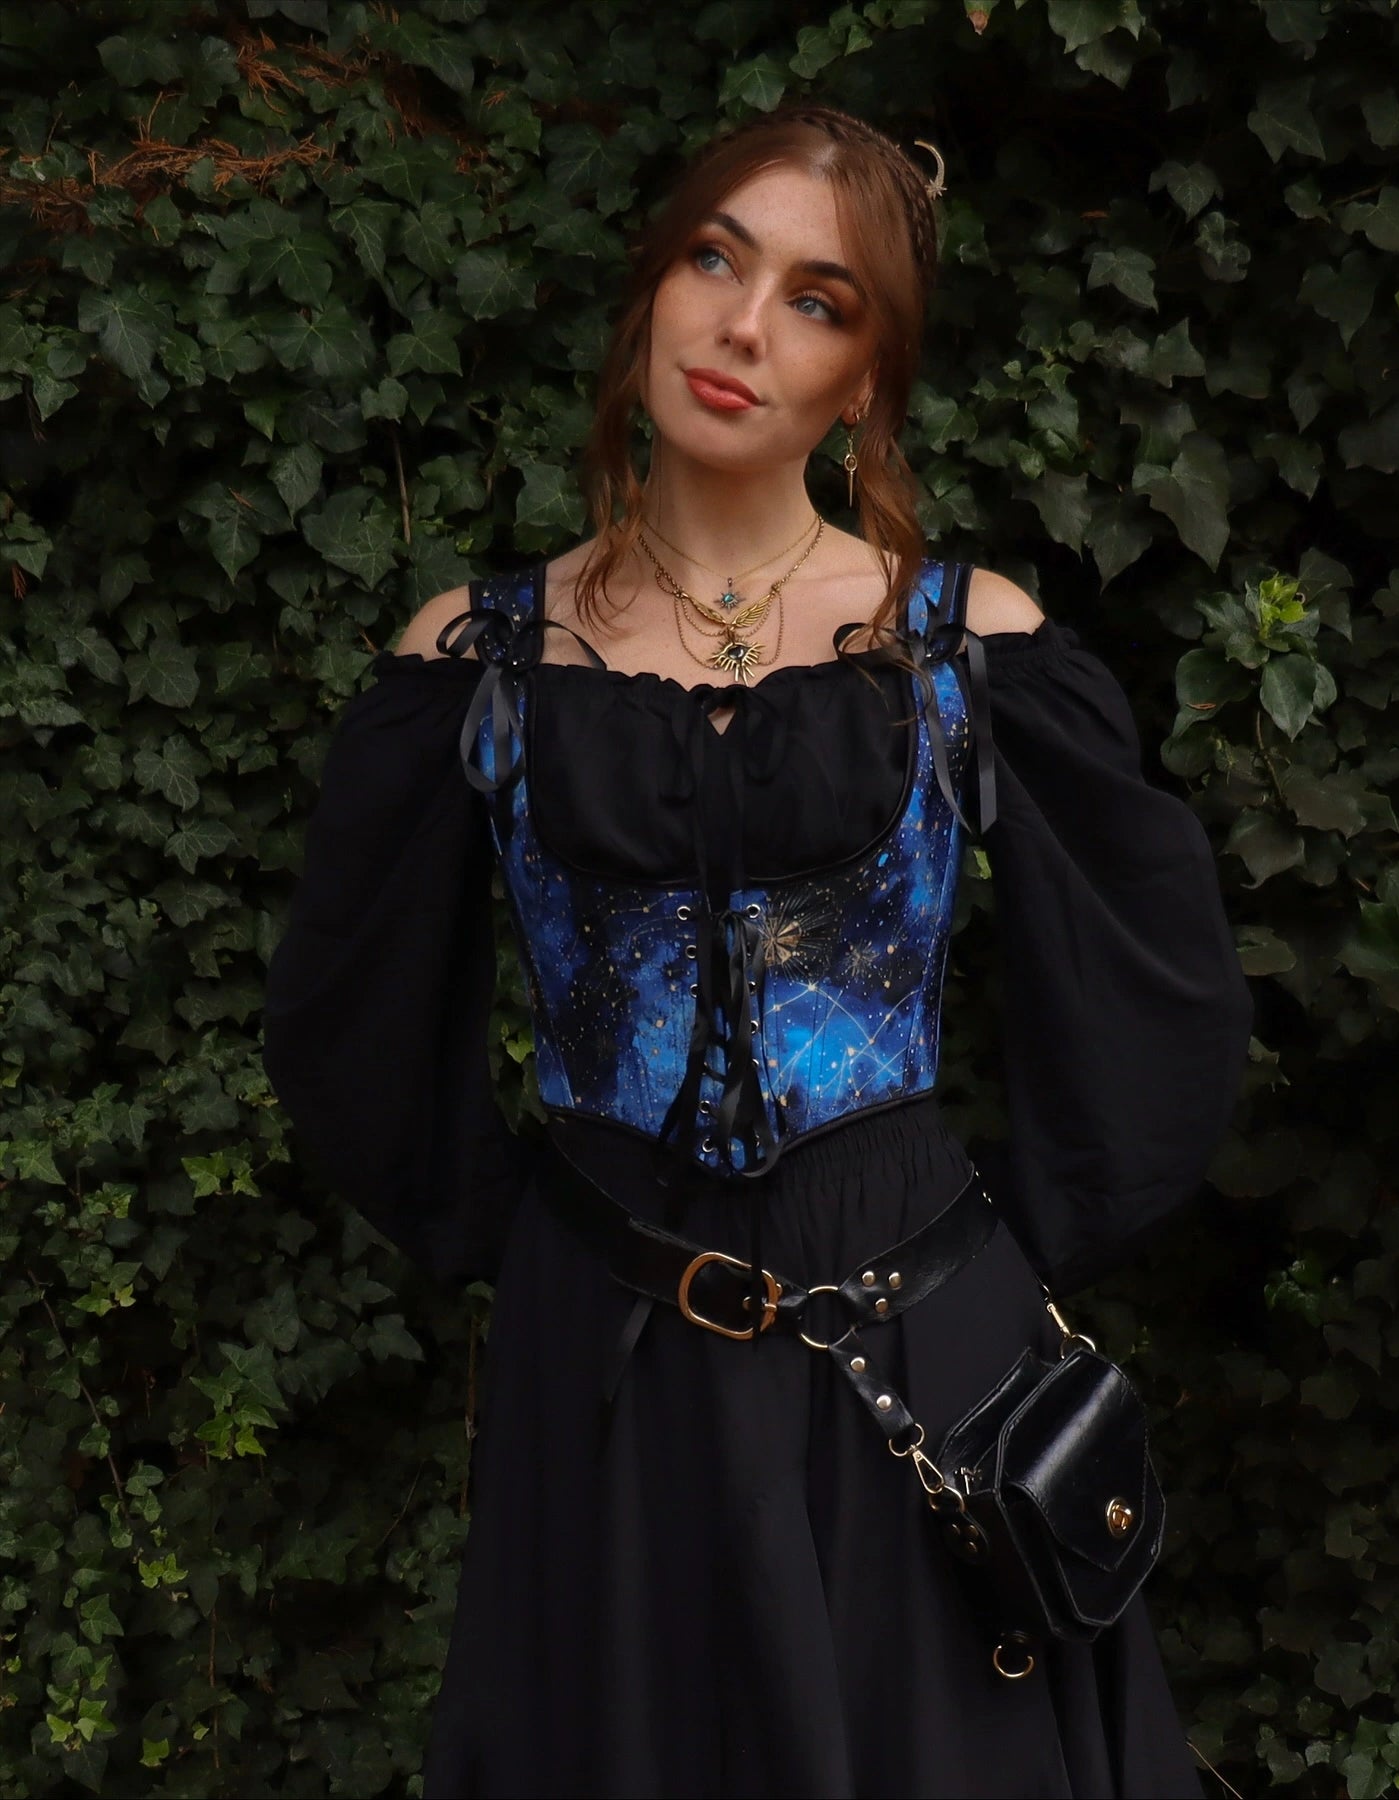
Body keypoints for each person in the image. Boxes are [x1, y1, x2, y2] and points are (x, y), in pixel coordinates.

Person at [262, 105, 1252, 1799]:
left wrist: (997, 1248)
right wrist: (526, 1239)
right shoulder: (479, 659)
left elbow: (1159, 999)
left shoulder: (966, 646)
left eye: (816, 299)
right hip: (608, 1365)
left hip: (922, 1358)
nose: (741, 326)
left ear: (866, 381)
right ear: (650, 285)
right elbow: (352, 1017)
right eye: (715, 260)